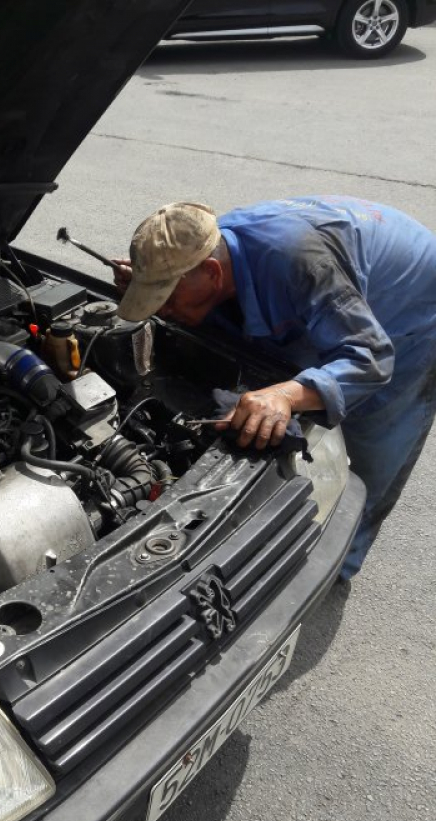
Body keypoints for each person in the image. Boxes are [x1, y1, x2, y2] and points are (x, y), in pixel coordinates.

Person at [113, 197, 436, 581]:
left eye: (165, 297)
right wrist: (146, 285)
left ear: (213, 273)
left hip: (411, 314)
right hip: (331, 285)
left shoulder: (297, 263)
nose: (158, 310)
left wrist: (284, 395)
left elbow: (372, 359)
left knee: (373, 450)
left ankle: (335, 567)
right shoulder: (209, 254)